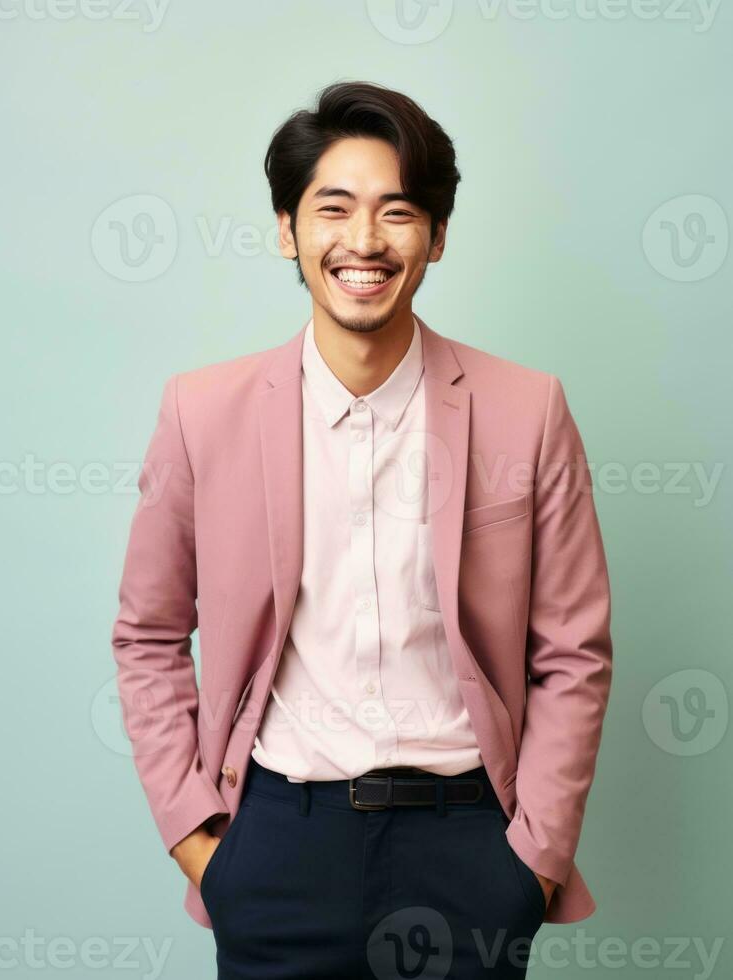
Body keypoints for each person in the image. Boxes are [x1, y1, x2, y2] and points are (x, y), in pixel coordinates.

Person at [112, 80, 613, 979]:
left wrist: (530, 862)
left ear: (438, 235)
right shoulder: (202, 412)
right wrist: (199, 840)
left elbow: (574, 651)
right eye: (332, 208)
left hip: (471, 844)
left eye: (399, 212)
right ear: (287, 230)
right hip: (275, 846)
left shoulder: (527, 409)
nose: (365, 241)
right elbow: (147, 634)